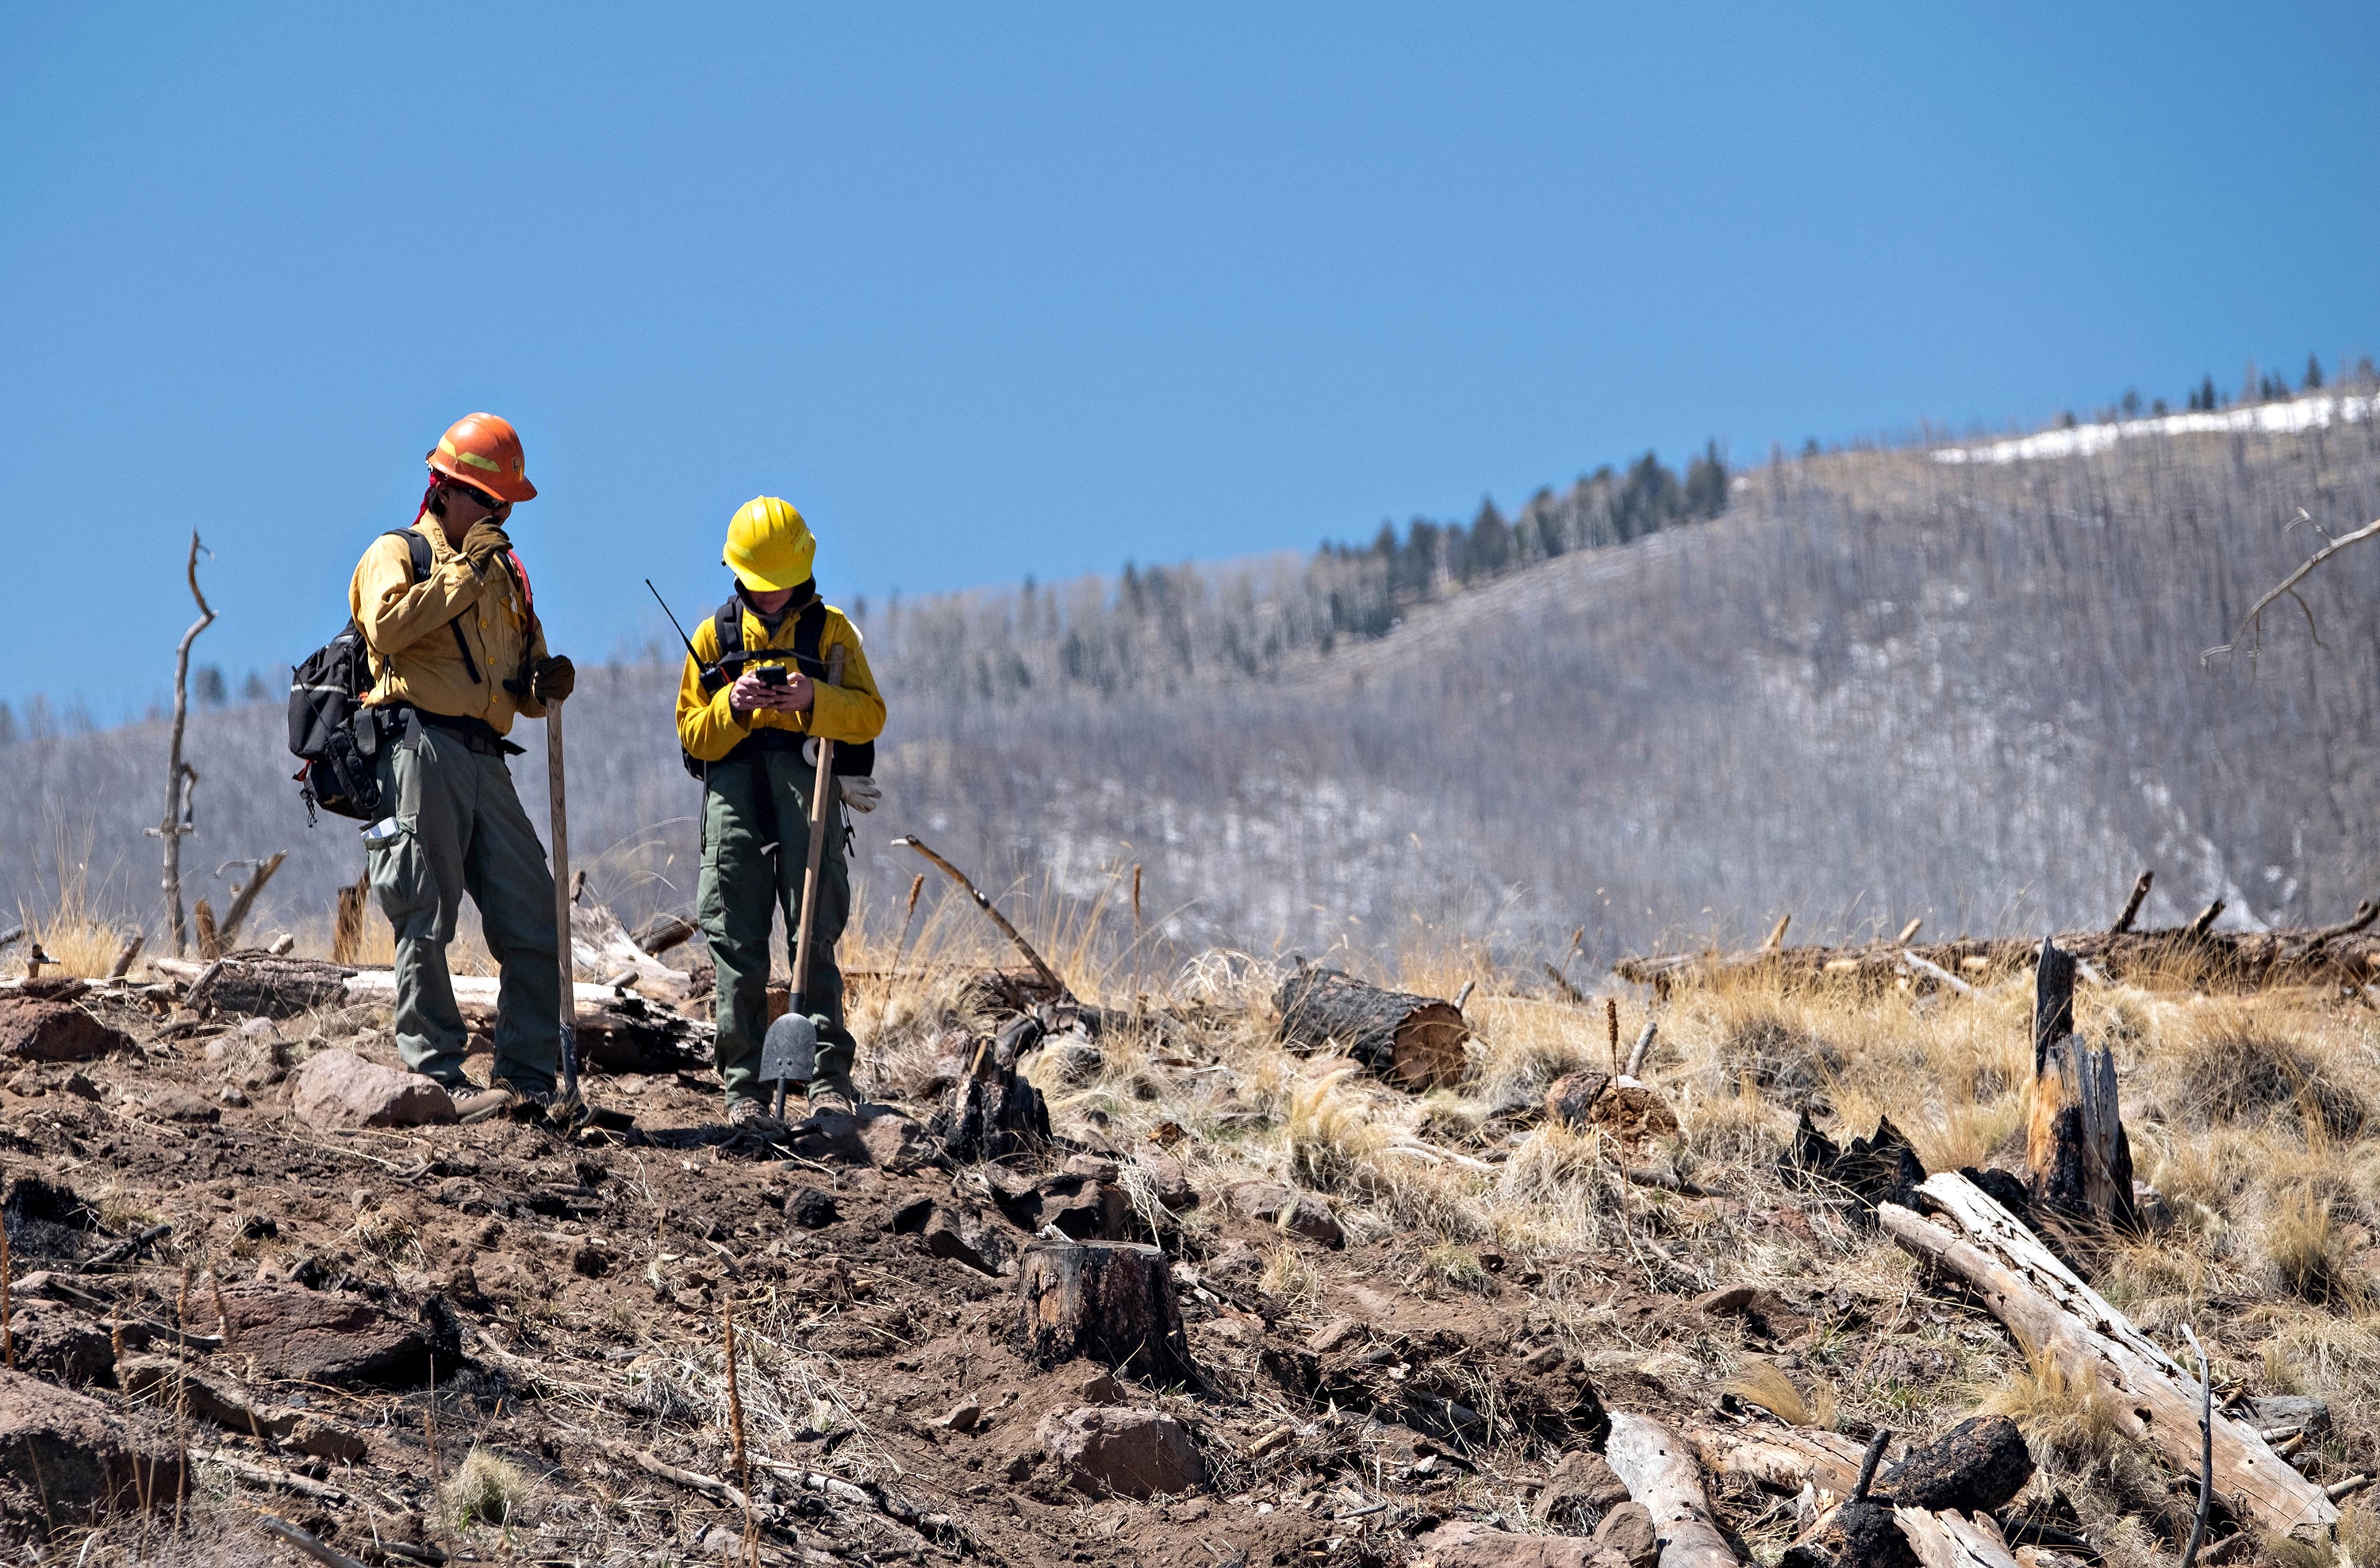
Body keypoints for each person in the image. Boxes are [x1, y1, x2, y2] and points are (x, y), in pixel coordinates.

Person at [351, 413, 576, 1111]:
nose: (499, 514)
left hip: (486, 757)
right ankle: (435, 1077)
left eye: (504, 505)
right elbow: (386, 626)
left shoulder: (506, 577)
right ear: (444, 489)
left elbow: (521, 676)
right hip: (420, 746)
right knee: (425, 910)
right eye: (487, 499)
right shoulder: (399, 552)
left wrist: (543, 685)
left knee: (535, 913)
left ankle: (529, 1078)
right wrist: (469, 569)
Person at [676, 496, 886, 1123]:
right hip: (732, 793)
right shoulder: (714, 636)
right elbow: (692, 736)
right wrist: (734, 706)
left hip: (810, 787)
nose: (769, 596)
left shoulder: (833, 633)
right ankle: (742, 1091)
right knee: (735, 945)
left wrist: (812, 697)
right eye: (758, 584)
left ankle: (826, 1081)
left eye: (780, 585)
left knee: (813, 938)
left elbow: (870, 715)